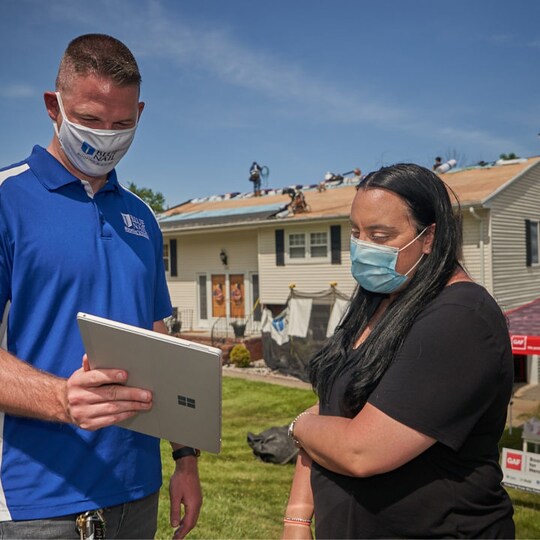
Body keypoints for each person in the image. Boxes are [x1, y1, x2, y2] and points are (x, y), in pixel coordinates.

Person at [0, 34, 202, 539]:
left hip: (137, 493)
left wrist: (185, 458)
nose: (105, 136)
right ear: (54, 105)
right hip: (34, 502)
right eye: (89, 120)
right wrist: (61, 399)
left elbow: (160, 340)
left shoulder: (142, 217)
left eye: (122, 123)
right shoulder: (7, 200)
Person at [283, 163, 514, 539]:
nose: (363, 247)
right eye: (356, 232)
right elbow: (334, 407)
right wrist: (297, 515)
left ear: (429, 237)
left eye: (380, 235)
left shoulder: (461, 319)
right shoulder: (379, 298)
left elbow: (361, 450)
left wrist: (298, 427)